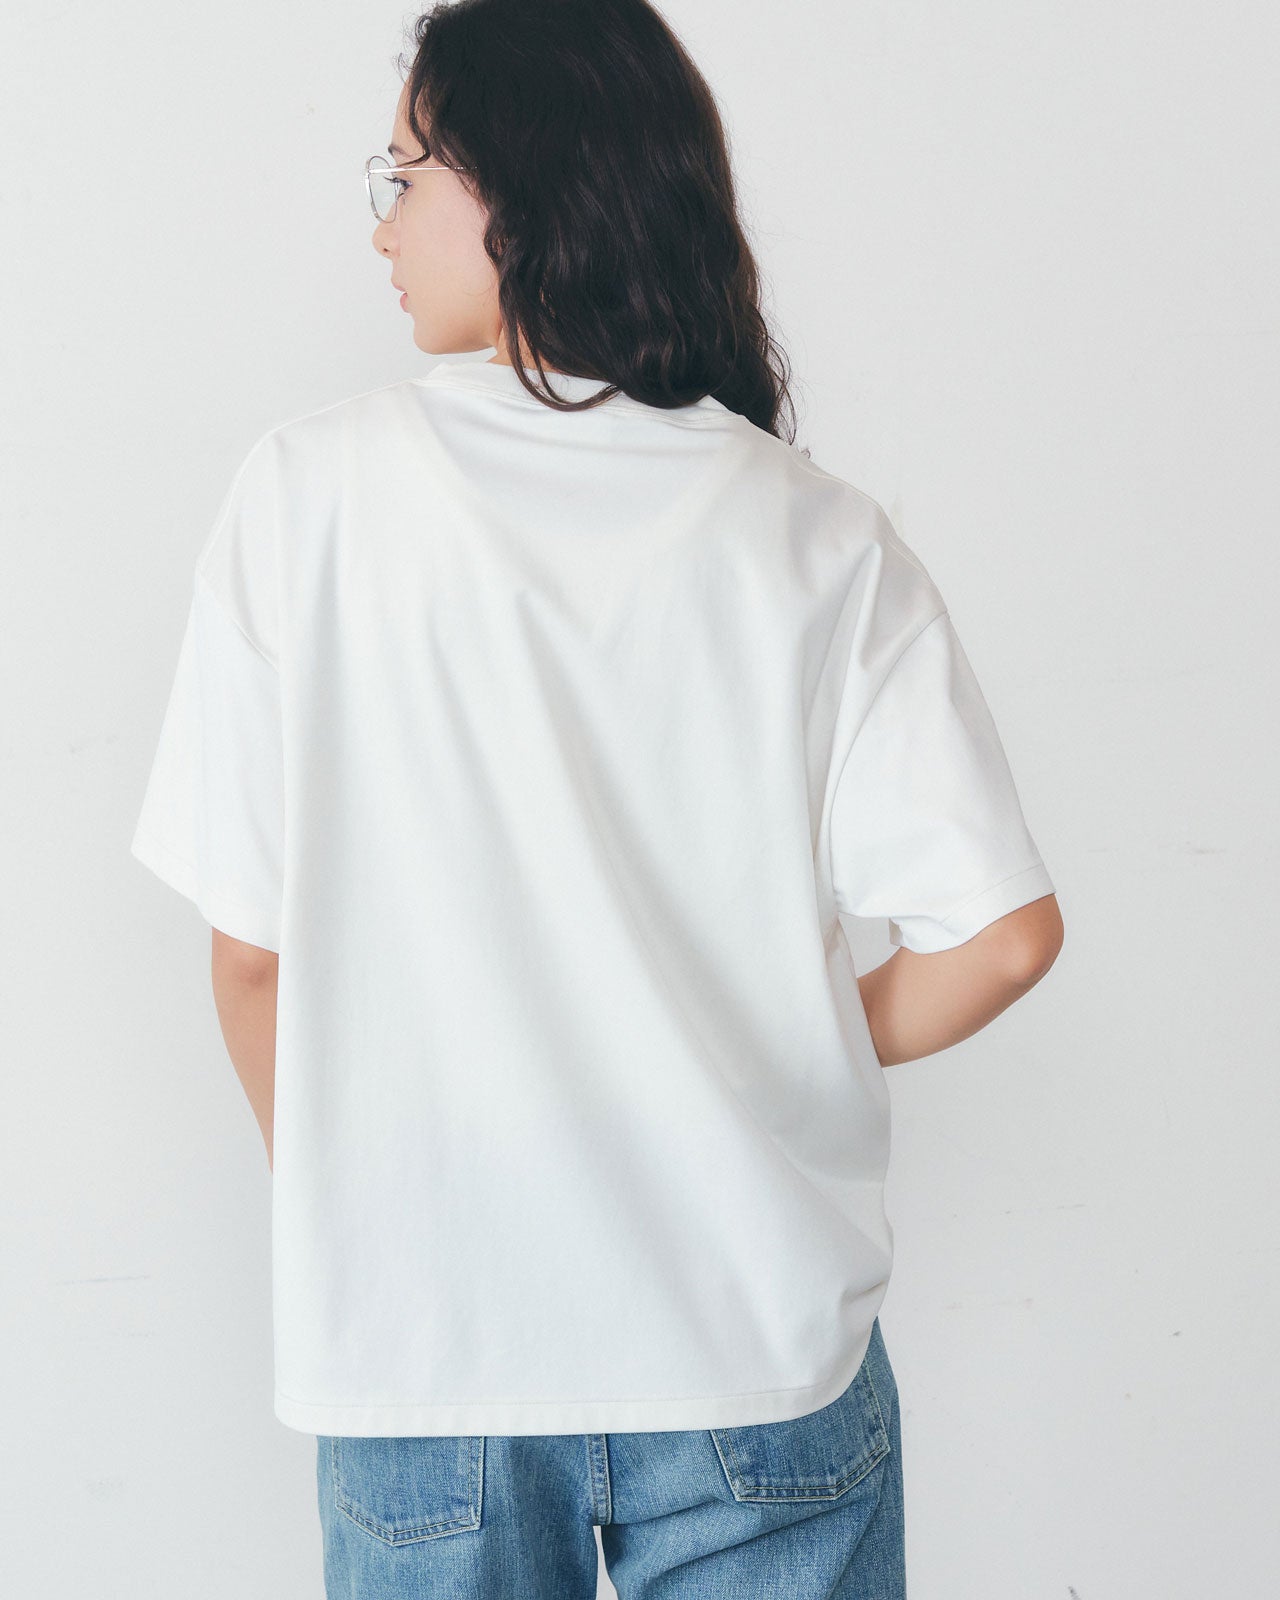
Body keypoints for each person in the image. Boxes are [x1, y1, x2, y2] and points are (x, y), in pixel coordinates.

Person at [128, 0, 1064, 1593]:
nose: (380, 224)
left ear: (523, 186)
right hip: (754, 1349)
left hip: (427, 1359)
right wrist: (784, 1043)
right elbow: (1003, 937)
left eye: (408, 174)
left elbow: (253, 962)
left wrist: (369, 1197)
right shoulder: (815, 534)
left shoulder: (308, 497)